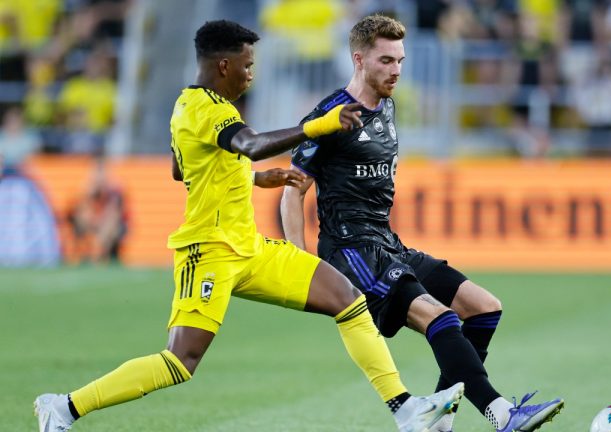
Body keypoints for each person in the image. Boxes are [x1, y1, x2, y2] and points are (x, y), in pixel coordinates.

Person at [33, 19, 464, 432]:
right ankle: (64, 407)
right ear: (224, 66)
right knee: (180, 362)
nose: (251, 74)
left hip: (250, 248)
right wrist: (318, 125)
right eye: (247, 65)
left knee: (347, 299)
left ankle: (405, 410)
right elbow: (252, 146)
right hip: (209, 252)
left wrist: (258, 179)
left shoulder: (197, 107)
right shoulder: (204, 108)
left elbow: (182, 170)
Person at [281, 14, 563, 432]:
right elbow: (292, 191)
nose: (396, 70)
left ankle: (436, 420)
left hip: (387, 241)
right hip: (352, 249)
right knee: (439, 316)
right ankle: (501, 414)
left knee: (484, 309)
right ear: (359, 60)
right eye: (385, 61)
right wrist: (299, 260)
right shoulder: (332, 114)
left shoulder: (389, 104)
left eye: (400, 60)